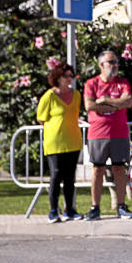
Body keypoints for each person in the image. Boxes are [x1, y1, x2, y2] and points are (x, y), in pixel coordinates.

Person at [83, 50, 132, 220]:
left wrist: (105, 100)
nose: (115, 65)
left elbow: (128, 102)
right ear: (101, 65)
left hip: (119, 132)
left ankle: (121, 206)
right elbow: (89, 105)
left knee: (119, 168)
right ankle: (95, 207)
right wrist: (115, 105)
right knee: (98, 169)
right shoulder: (91, 83)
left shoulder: (123, 83)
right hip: (98, 133)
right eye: (111, 62)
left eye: (116, 62)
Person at [36, 61, 84, 222]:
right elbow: (41, 119)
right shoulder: (49, 96)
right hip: (55, 142)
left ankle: (70, 210)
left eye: (71, 75)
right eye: (66, 76)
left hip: (73, 140)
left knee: (70, 177)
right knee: (56, 175)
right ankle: (53, 210)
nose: (69, 78)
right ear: (57, 77)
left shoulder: (76, 95)